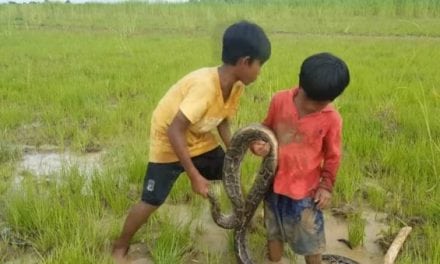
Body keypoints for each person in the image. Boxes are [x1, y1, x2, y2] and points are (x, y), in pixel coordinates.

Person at [112, 20, 271, 263]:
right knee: (152, 199)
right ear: (245, 62)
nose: (260, 71)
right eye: (259, 65)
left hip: (198, 138)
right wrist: (195, 176)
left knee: (231, 174)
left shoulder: (236, 86)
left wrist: (236, 151)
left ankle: (243, 220)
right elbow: (175, 130)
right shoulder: (205, 87)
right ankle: (120, 245)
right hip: (168, 142)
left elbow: (222, 120)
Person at [250, 52, 350, 264]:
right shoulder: (279, 100)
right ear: (300, 84)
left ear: (331, 100)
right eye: (306, 100)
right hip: (272, 185)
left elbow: (333, 156)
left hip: (306, 194)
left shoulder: (332, 119)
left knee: (311, 242)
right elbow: (265, 128)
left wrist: (326, 185)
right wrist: (259, 144)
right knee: (273, 232)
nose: (309, 107)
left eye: (318, 105)